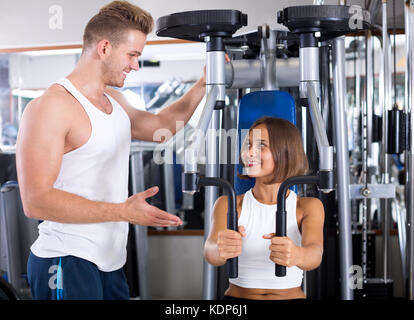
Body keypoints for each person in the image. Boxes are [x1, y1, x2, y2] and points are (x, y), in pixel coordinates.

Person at [16, 1, 206, 300]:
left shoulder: (115, 100)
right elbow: (35, 201)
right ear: (104, 48)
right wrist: (122, 212)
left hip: (110, 261)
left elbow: (161, 127)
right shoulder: (51, 106)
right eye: (132, 55)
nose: (135, 65)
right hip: (66, 258)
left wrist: (206, 82)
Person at [204, 117, 324, 300]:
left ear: (285, 153)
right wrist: (221, 248)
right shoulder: (228, 203)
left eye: (261, 145)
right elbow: (210, 251)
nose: (249, 152)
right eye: (248, 145)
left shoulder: (308, 206)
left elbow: (315, 253)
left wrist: (297, 254)